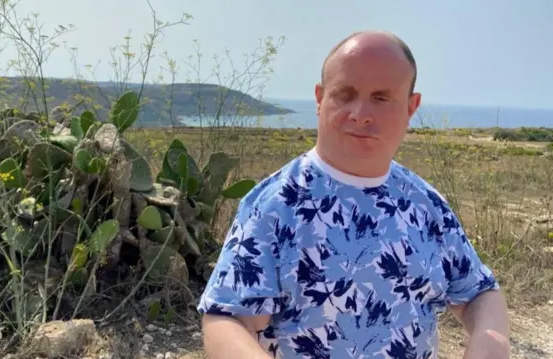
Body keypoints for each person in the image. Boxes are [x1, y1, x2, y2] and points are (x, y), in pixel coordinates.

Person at [197, 30, 510, 359]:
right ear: (320, 99)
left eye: (381, 97)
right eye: (345, 94)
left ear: (411, 106)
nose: (360, 112)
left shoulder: (426, 204)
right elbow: (227, 318)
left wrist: (490, 344)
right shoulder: (275, 206)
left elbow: (478, 293)